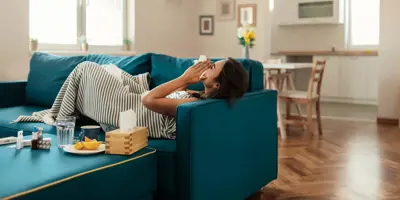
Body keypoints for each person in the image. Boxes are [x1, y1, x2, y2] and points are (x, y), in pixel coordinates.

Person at [142, 58, 249, 117]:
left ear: (217, 85)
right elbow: (176, 92)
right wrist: (190, 77)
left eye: (212, 67)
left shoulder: (194, 105)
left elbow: (147, 99)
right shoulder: (201, 96)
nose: (207, 66)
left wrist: (184, 78)